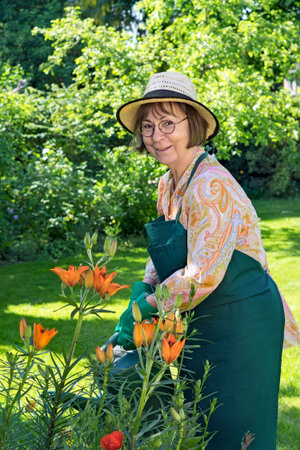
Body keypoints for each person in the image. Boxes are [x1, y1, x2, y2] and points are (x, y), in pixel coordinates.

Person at [114, 71, 299, 449]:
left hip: (242, 317)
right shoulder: (170, 182)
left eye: (168, 123)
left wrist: (145, 309)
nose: (156, 135)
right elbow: (167, 252)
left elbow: (202, 276)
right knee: (205, 422)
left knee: (237, 431)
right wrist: (142, 290)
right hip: (206, 313)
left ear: (193, 124)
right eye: (148, 126)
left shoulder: (210, 185)